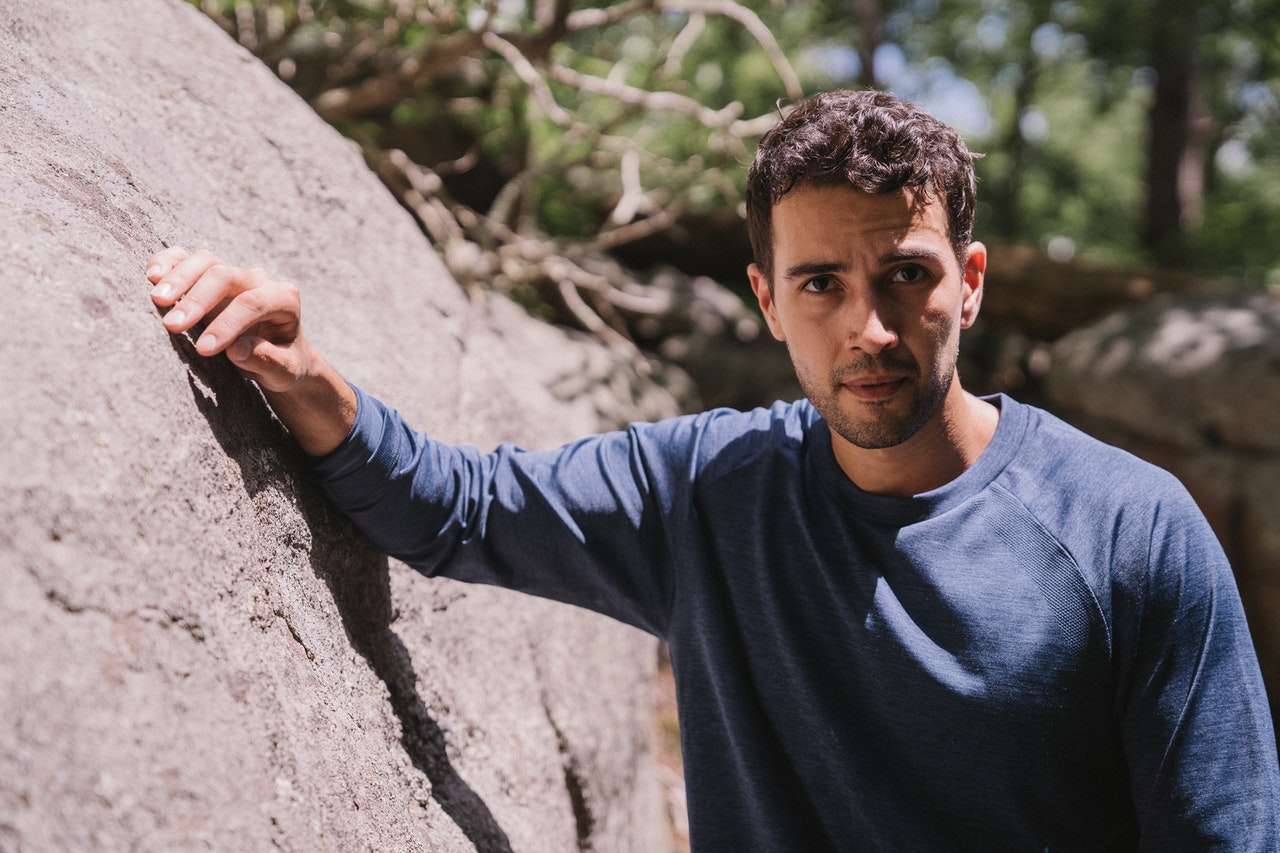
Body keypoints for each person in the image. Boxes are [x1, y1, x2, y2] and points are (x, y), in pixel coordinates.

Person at [147, 89, 1280, 850]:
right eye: (821, 284)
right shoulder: (707, 490)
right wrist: (296, 369)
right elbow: (457, 510)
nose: (869, 329)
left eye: (905, 275)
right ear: (766, 300)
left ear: (969, 282)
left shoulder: (1130, 531)